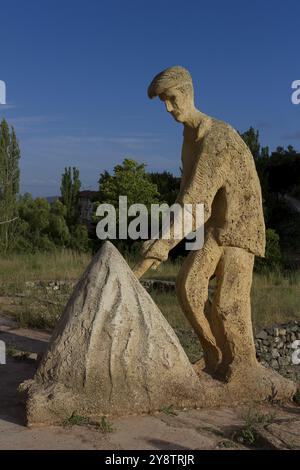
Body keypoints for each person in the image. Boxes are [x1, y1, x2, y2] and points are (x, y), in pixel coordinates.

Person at [134, 66, 266, 381]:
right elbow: (184, 197)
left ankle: (244, 368)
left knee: (227, 304)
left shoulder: (216, 137)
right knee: (188, 287)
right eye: (163, 101)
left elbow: (196, 202)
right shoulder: (190, 138)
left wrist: (164, 244)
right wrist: (161, 240)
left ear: (189, 92)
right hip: (215, 229)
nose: (168, 108)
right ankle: (214, 357)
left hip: (240, 230)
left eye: (172, 98)